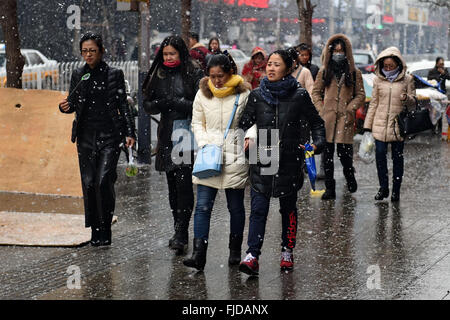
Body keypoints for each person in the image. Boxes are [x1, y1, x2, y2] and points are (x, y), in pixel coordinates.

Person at [238, 49, 325, 276]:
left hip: (289, 158)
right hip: (263, 156)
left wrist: (316, 144)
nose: (271, 68)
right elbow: (243, 123)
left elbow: (317, 123)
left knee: (288, 209)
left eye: (276, 64)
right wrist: (248, 136)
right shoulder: (257, 95)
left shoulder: (298, 95)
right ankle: (252, 255)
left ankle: (287, 250)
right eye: (269, 64)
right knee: (258, 209)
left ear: (288, 68)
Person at [59, 32, 136, 246]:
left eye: (92, 50)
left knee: (104, 181)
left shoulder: (114, 74)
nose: (88, 55)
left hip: (109, 135)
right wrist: (64, 107)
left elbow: (123, 105)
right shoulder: (78, 74)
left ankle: (106, 229)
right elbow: (72, 102)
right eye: (84, 51)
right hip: (85, 137)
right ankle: (95, 230)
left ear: (101, 51)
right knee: (90, 183)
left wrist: (130, 133)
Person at [183, 53, 252, 271]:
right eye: (212, 76)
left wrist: (251, 136)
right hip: (209, 156)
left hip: (235, 153)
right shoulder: (202, 94)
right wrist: (205, 143)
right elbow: (196, 123)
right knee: (202, 207)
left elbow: (254, 120)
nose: (216, 81)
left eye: (220, 76)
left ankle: (234, 251)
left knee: (236, 207)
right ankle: (198, 254)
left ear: (230, 73)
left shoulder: (244, 94)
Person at [142, 35, 203, 254]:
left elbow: (200, 102)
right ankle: (177, 227)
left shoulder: (192, 72)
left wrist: (178, 103)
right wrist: (161, 103)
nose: (168, 58)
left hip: (184, 132)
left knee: (183, 183)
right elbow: (147, 104)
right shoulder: (157, 72)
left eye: (172, 54)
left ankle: (182, 231)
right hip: (166, 132)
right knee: (172, 184)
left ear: (180, 53)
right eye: (165, 54)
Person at [311, 34, 365, 200]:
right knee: (327, 158)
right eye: (335, 51)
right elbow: (316, 93)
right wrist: (322, 110)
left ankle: (350, 177)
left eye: (341, 51)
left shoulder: (354, 73)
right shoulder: (324, 71)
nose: (338, 54)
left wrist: (350, 108)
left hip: (345, 120)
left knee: (345, 156)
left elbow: (360, 95)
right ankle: (330, 188)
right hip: (327, 120)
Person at [363, 47, 416, 202]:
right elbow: (373, 103)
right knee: (380, 157)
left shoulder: (407, 80)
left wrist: (407, 98)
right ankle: (383, 188)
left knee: (398, 159)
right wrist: (368, 125)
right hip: (379, 125)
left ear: (398, 64)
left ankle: (396, 191)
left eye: (391, 66)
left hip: (397, 126)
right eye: (385, 66)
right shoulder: (378, 80)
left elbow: (413, 104)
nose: (388, 69)